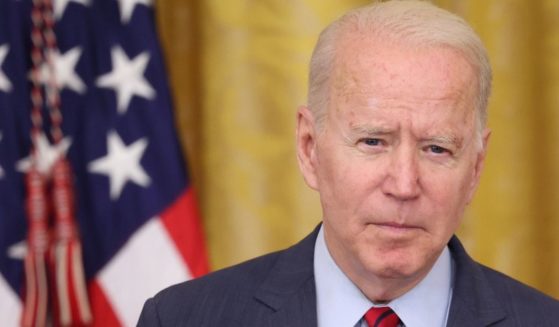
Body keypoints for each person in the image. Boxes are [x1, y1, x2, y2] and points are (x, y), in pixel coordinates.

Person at [137, 1, 559, 326]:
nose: (404, 184)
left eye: (436, 149)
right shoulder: (184, 318)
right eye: (373, 141)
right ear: (309, 148)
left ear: (475, 169)